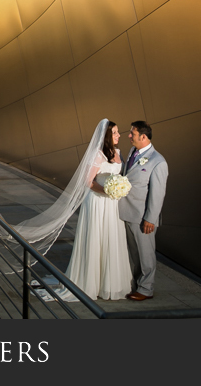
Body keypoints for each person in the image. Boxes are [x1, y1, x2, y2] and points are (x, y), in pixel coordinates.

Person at [62, 121, 132, 300]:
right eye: (115, 132)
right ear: (107, 135)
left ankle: (110, 284)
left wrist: (118, 189)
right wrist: (107, 191)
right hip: (97, 201)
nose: (119, 135)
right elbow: (88, 181)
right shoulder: (98, 155)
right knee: (97, 237)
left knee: (112, 237)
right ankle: (91, 283)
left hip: (112, 204)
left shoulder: (118, 153)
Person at [118, 120, 168, 301]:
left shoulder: (158, 162)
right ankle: (137, 285)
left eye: (133, 133)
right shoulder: (133, 152)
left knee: (146, 255)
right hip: (127, 213)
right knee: (134, 254)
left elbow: (157, 194)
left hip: (143, 218)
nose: (129, 136)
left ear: (143, 137)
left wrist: (150, 219)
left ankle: (146, 289)